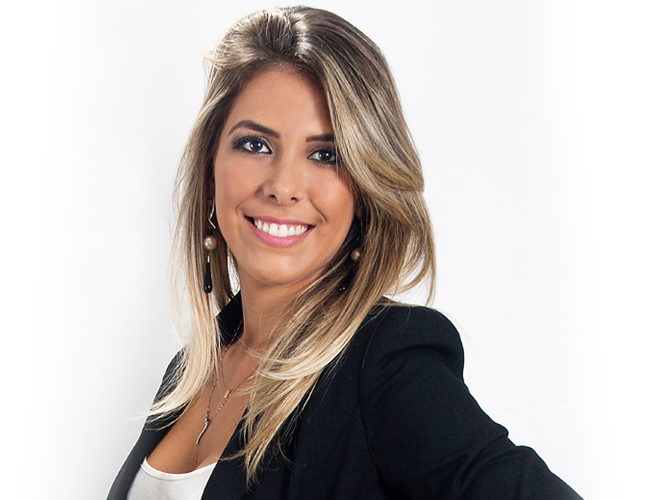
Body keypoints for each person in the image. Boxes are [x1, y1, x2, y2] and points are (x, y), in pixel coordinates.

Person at [108, 6, 582, 500]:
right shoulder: (189, 371)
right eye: (254, 145)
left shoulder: (385, 362)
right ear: (211, 170)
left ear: (365, 189)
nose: (283, 186)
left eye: (325, 155)